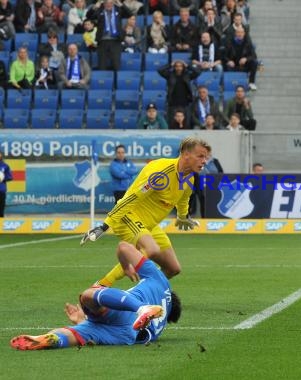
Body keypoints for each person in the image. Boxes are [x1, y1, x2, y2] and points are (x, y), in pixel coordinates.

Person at [80, 137, 211, 287]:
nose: (204, 161)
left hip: (149, 226)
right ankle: (102, 285)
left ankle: (141, 294)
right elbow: (131, 198)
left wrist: (182, 217)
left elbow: (183, 199)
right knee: (152, 249)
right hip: (128, 217)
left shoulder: (190, 178)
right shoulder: (160, 174)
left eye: (206, 157)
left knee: (173, 268)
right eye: (200, 156)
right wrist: (104, 225)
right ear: (186, 154)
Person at [10, 241, 181, 350]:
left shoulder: (160, 281)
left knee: (88, 295)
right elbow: (118, 326)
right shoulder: (161, 325)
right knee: (77, 334)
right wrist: (80, 319)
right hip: (127, 336)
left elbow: (124, 247)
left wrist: (125, 265)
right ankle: (50, 339)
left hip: (129, 315)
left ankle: (141, 308)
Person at [0, 151, 12, 217]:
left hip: (1, 190)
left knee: (1, 209)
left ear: (1, 155)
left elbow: (10, 177)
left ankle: (1, 225)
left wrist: (2, 178)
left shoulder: (5, 166)